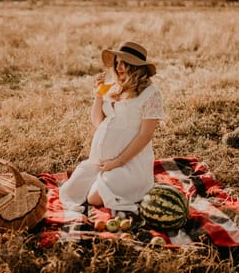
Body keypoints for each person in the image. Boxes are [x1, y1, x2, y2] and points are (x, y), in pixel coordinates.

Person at [59, 41, 165, 213]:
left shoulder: (151, 94)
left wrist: (117, 162)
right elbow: (97, 122)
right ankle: (103, 179)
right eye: (116, 62)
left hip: (130, 163)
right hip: (101, 163)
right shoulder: (115, 87)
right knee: (71, 190)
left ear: (136, 66)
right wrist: (98, 95)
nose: (118, 67)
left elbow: (145, 135)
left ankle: (126, 184)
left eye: (124, 63)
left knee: (93, 198)